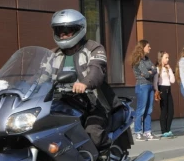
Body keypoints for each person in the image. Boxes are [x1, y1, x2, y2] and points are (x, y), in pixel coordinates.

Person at [48, 9, 120, 148]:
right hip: (62, 104)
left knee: (93, 134)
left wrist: (85, 83)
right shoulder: (53, 54)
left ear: (79, 30)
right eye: (59, 31)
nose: (63, 35)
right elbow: (40, 74)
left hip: (94, 104)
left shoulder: (93, 48)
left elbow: (97, 69)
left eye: (68, 31)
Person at [131, 40, 158, 141]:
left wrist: (150, 71)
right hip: (142, 86)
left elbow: (155, 70)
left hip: (150, 85)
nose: (150, 48)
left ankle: (147, 132)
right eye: (148, 46)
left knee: (149, 110)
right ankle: (138, 132)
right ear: (142, 48)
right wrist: (149, 72)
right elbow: (146, 74)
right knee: (141, 110)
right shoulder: (138, 60)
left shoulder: (147, 59)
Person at [154, 51, 176, 138]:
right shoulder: (157, 68)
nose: (168, 59)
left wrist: (170, 69)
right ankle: (164, 130)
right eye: (166, 58)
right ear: (161, 58)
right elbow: (155, 82)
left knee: (171, 111)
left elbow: (172, 81)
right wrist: (156, 91)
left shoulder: (167, 68)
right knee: (164, 110)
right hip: (161, 89)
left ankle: (168, 129)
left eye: (168, 58)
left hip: (168, 89)